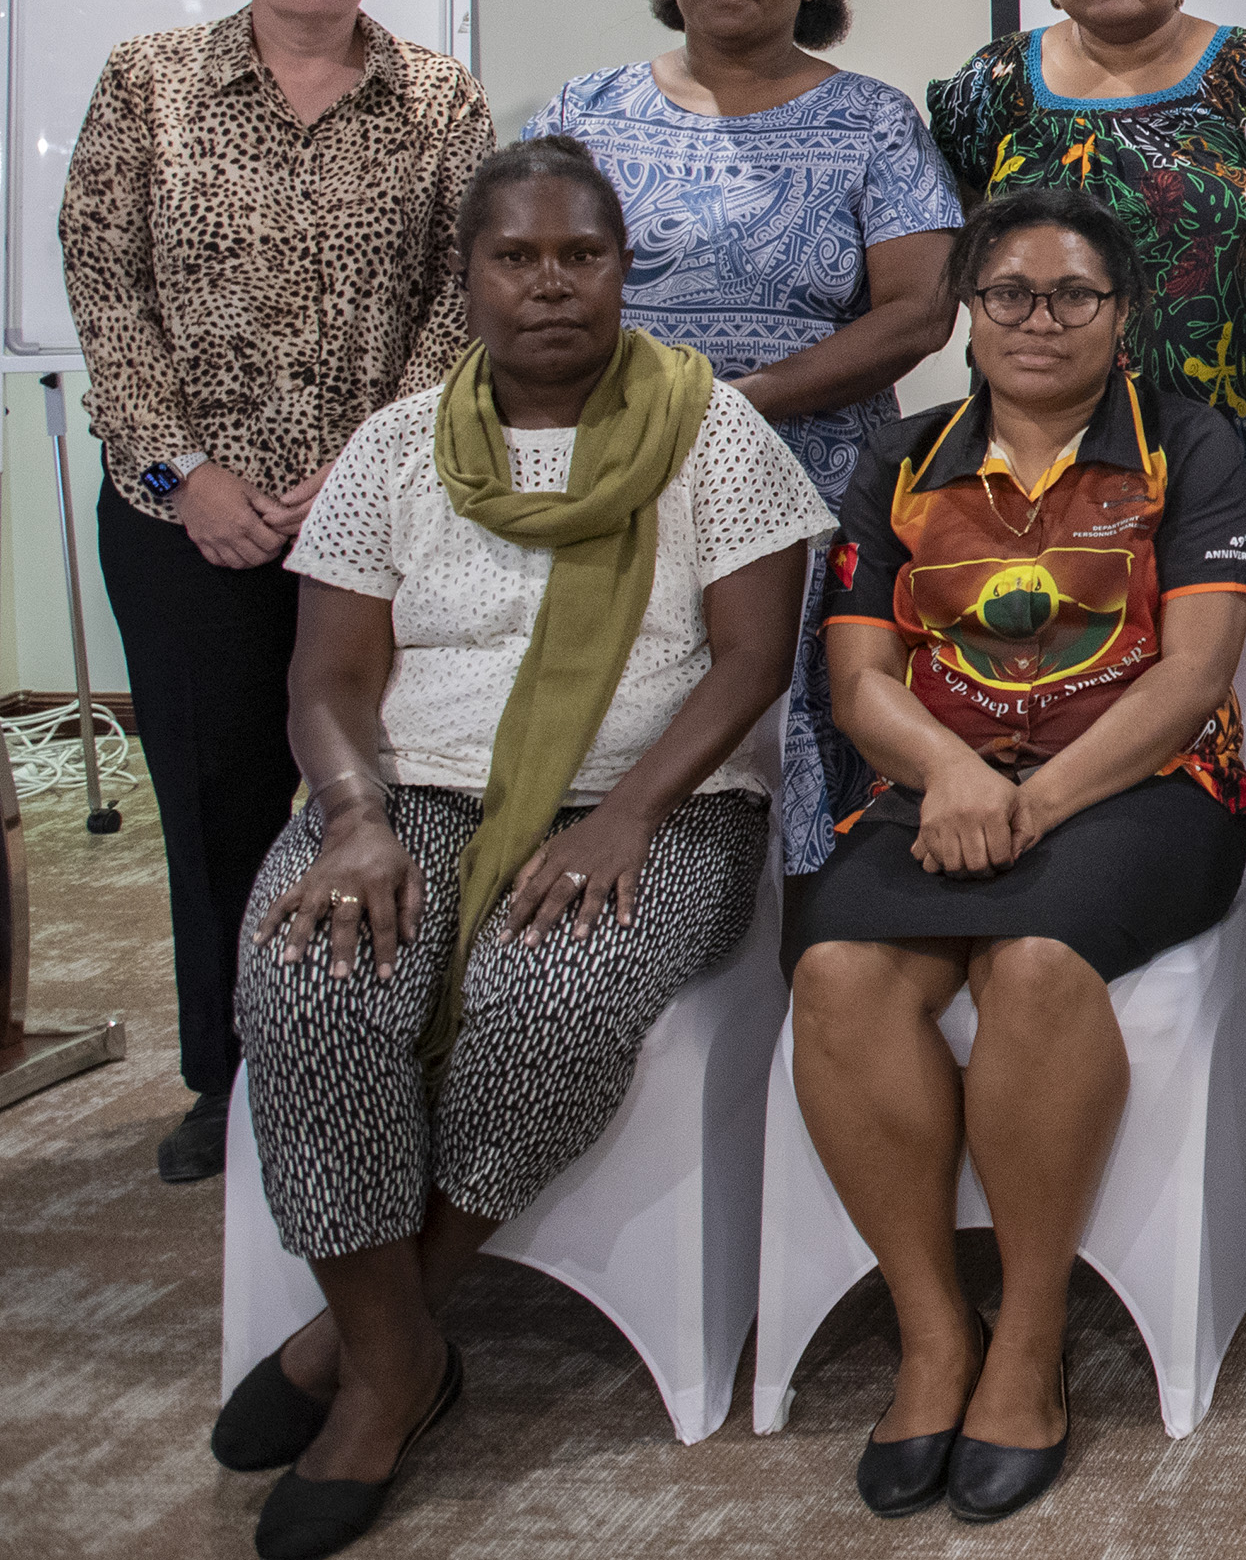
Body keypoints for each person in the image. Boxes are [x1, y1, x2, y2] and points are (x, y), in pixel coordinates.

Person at [218, 138, 825, 1559]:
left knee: (551, 998)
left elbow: (747, 664)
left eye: (581, 255)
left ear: (623, 267)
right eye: (516, 256)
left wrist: (627, 812)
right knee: (311, 982)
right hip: (411, 789)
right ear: (470, 273)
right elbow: (326, 678)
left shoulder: (714, 430)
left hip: (659, 800)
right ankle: (399, 1349)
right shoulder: (393, 445)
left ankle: (367, 1362)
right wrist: (355, 816)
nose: (550, 284)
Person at [788, 187, 1246, 1525]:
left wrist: (1038, 796)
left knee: (1039, 960)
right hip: (939, 786)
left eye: (1073, 294)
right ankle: (935, 1326)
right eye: (1009, 291)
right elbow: (859, 675)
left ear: (1122, 316)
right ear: (968, 311)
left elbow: (1190, 677)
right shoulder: (899, 458)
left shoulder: (1188, 442)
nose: (1039, 317)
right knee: (838, 972)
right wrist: (950, 771)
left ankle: (1031, 1333)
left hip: (1146, 787)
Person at [59, 0, 491, 1187]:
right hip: (184, 511)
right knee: (215, 786)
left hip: (381, 514)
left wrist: (361, 470)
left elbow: (460, 295)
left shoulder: (439, 97)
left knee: (368, 775)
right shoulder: (149, 82)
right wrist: (192, 475)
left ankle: (368, 1045)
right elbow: (106, 289)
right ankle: (228, 1077)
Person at [926, 0, 1246, 921]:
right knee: (1048, 673)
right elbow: (977, 256)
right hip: (1040, 465)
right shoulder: (989, 90)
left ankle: (1238, 929)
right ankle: (1048, 888)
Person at [532, 0, 962, 877]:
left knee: (803, 719)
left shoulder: (871, 119)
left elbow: (919, 312)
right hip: (613, 469)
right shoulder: (584, 113)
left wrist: (734, 405)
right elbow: (521, 285)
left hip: (809, 479)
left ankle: (813, 942)